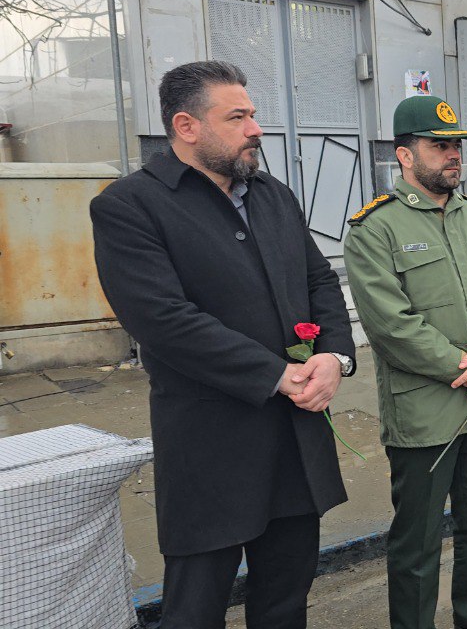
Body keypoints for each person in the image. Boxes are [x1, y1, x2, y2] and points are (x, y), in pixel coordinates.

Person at [90, 60, 356, 627]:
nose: (255, 129)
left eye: (253, 115)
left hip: (294, 439)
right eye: (237, 117)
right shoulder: (129, 206)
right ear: (187, 127)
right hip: (210, 451)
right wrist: (277, 375)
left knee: (285, 601)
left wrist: (335, 356)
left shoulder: (272, 194)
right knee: (195, 608)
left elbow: (319, 280)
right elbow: (163, 319)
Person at [344, 94, 467, 629]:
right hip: (426, 414)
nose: (453, 156)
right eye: (439, 145)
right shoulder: (375, 230)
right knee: (418, 541)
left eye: (456, 146)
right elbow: (391, 326)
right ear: (405, 155)